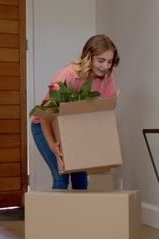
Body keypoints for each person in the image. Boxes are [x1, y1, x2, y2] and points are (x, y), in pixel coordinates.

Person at [31, 34, 120, 190]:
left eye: (109, 62)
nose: (105, 66)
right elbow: (46, 116)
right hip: (45, 125)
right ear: (88, 56)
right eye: (101, 60)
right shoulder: (67, 75)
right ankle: (60, 214)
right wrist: (52, 145)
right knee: (61, 176)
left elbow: (102, 114)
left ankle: (79, 214)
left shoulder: (107, 78)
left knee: (80, 179)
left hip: (75, 128)